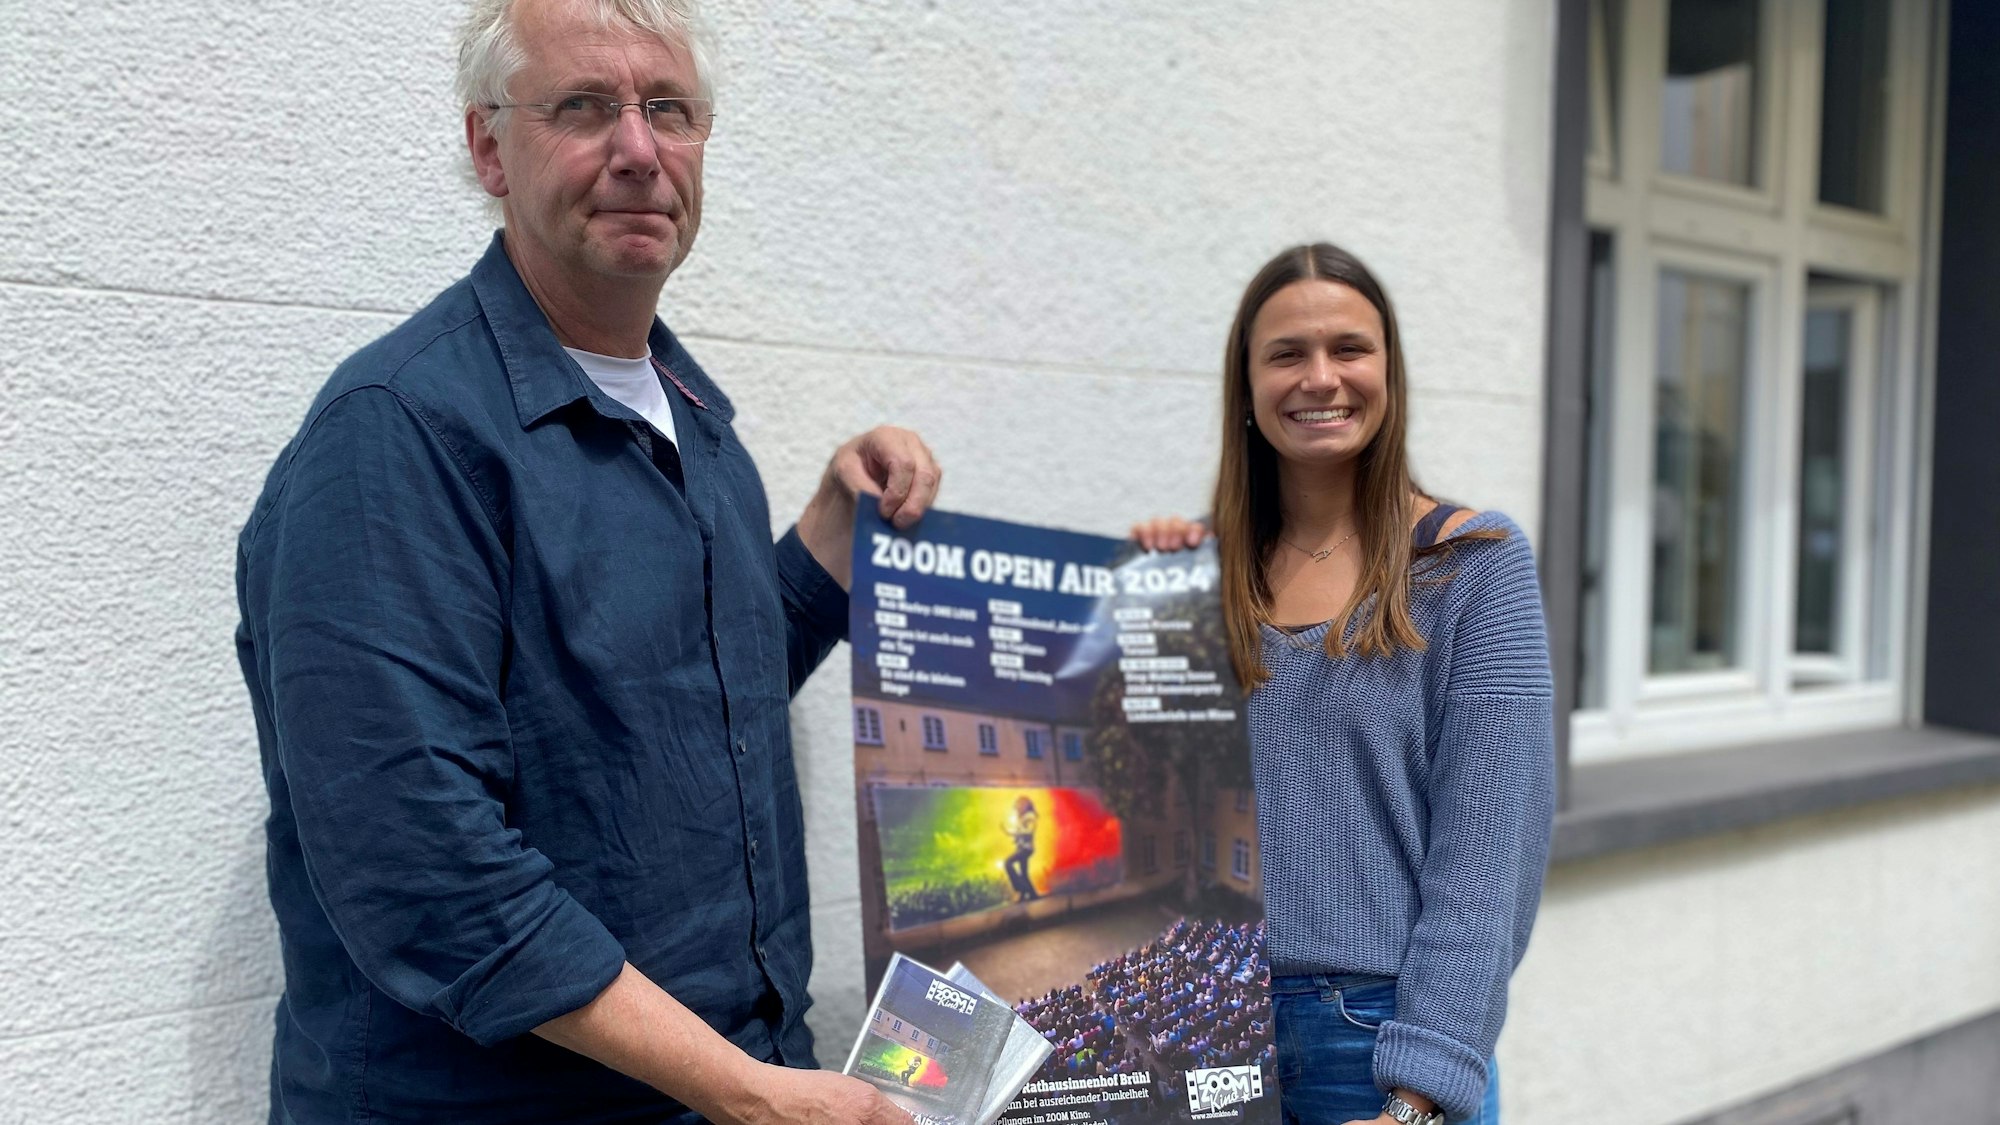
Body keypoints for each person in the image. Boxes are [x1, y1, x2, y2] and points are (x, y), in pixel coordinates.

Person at [234, 0, 936, 1121]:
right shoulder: (396, 433)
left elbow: (690, 701)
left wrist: (824, 541)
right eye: (582, 108)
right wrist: (750, 1093)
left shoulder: (698, 425)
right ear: (487, 147)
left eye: (669, 109)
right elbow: (426, 870)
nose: (638, 150)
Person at [1132, 243, 1556, 1125]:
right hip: (1207, 1035)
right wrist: (1139, 604)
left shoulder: (1472, 567)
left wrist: (1419, 1095)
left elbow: (1487, 861)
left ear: (1389, 373)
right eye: (1287, 353)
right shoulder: (1201, 575)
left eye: (1349, 349)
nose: (1320, 377)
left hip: (1375, 1041)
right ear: (1246, 387)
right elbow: (1143, 804)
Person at [1002, 795, 1041, 901]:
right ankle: (1032, 894)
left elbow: (1029, 831)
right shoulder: (1022, 818)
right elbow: (1018, 833)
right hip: (1021, 848)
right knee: (1024, 873)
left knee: (1007, 862)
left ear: (1026, 805)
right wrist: (1007, 831)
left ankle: (1021, 888)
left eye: (1020, 804)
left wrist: (1014, 833)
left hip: (1026, 849)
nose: (1018, 807)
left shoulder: (1030, 816)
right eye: (1017, 805)